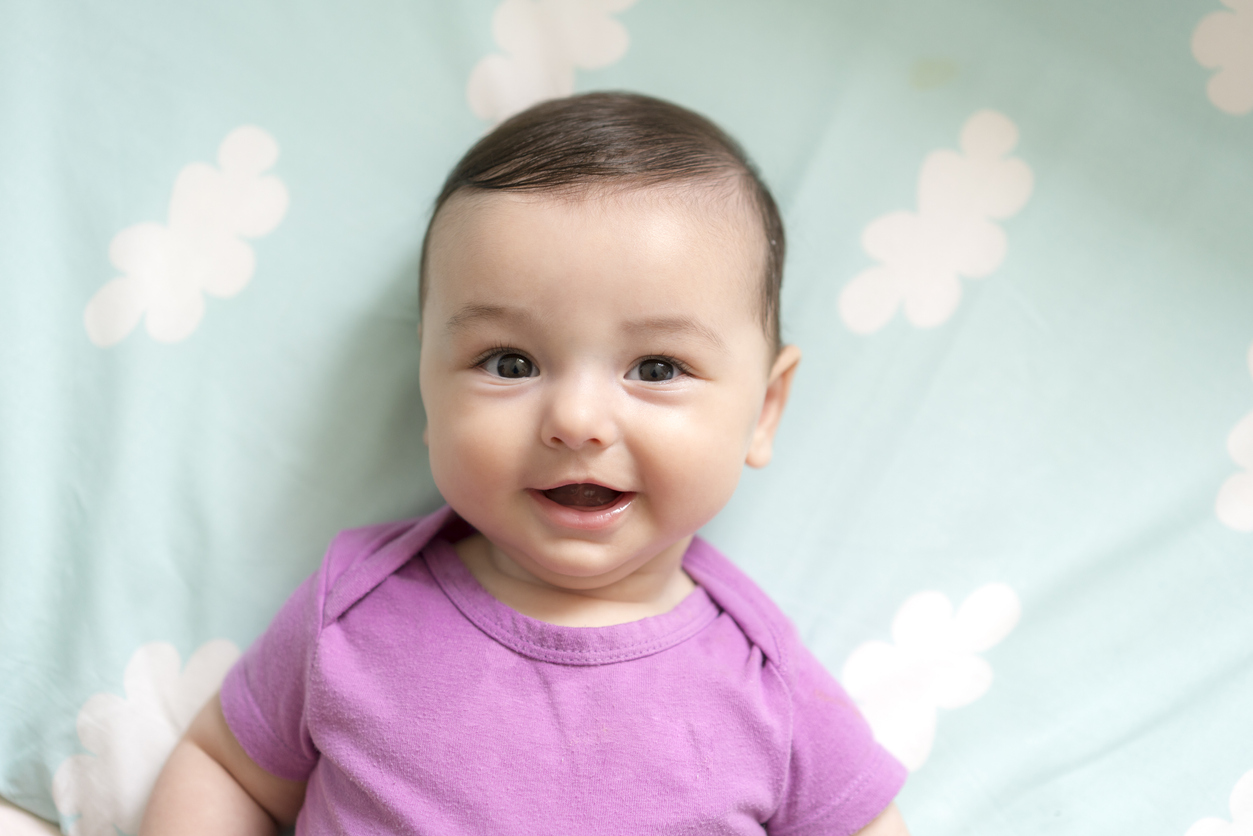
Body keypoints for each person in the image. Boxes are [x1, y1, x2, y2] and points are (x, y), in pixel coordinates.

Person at [140, 92, 910, 835]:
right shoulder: (353, 607)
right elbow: (227, 769)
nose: (575, 421)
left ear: (763, 409)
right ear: (427, 385)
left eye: (655, 367)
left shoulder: (769, 685)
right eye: (508, 363)